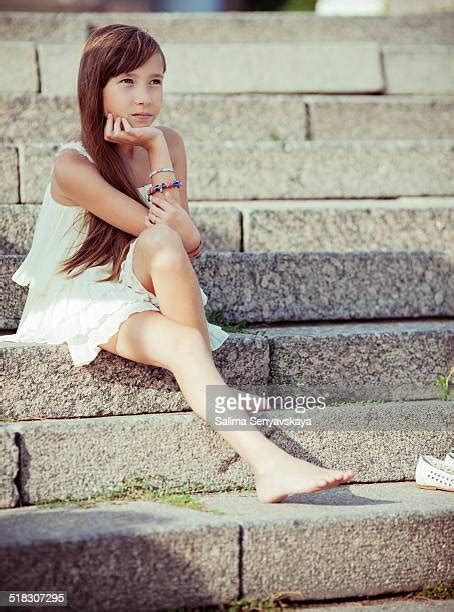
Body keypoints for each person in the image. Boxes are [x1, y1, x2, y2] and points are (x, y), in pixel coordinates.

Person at [2, 24, 354, 503]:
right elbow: (177, 233)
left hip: (143, 276)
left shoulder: (166, 142)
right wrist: (179, 224)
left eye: (155, 81)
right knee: (183, 323)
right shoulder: (73, 165)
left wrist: (158, 148)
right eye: (127, 82)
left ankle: (215, 397)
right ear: (96, 87)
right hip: (85, 294)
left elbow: (183, 239)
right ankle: (268, 462)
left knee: (165, 247)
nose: (144, 96)